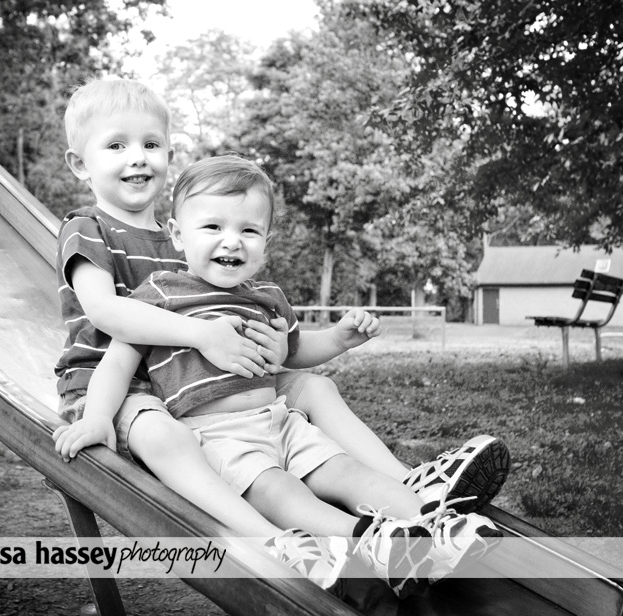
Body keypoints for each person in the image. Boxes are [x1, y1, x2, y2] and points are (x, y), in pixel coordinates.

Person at [54, 154, 505, 597]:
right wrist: (96, 418)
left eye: (248, 230)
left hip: (282, 420)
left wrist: (338, 338)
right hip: (221, 438)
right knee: (284, 493)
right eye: (213, 227)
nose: (232, 241)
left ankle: (434, 523)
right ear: (176, 235)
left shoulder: (267, 297)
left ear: (266, 242)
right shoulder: (158, 295)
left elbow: (296, 350)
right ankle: (369, 542)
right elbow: (117, 362)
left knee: (346, 470)